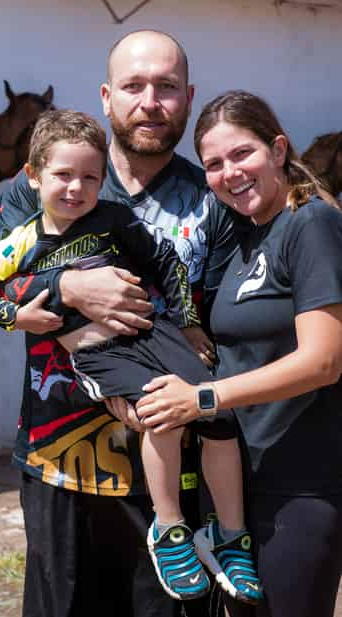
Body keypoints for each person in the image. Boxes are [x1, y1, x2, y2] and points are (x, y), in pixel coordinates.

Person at [0, 31, 240, 617]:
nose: (150, 101)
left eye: (166, 87)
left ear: (187, 98)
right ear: (107, 96)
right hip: (60, 461)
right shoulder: (48, 180)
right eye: (134, 86)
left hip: (173, 466)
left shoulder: (211, 197)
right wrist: (66, 288)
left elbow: (221, 319)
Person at [135, 89, 342, 617]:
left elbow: (324, 360)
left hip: (300, 486)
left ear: (277, 149)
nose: (230, 172)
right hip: (238, 481)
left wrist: (203, 398)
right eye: (213, 164)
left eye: (242, 154)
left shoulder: (311, 224)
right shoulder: (248, 237)